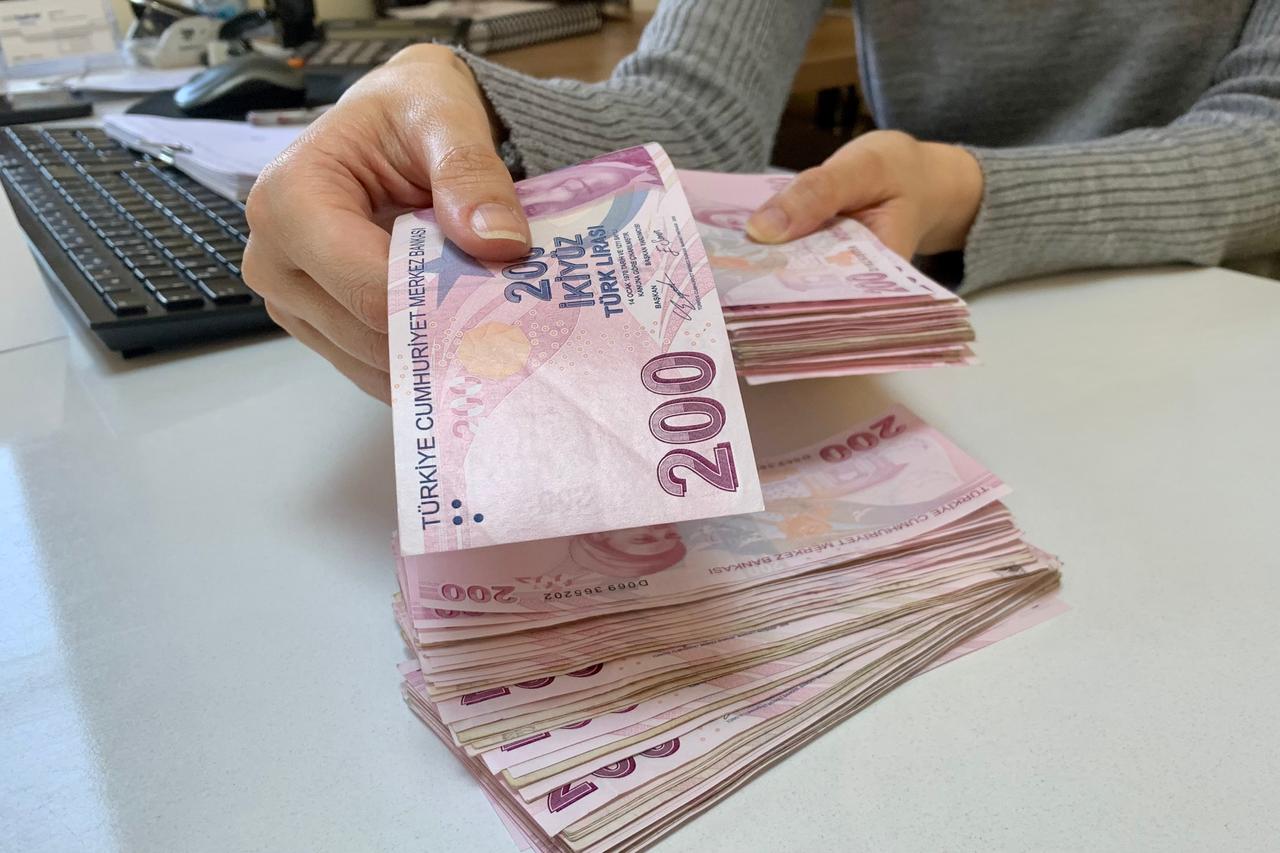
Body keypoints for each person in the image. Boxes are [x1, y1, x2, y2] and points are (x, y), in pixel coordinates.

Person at [242, 1, 1280, 401]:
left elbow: (1265, 135)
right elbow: (691, 112)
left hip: (1222, 353)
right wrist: (464, 97)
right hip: (954, 359)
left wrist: (973, 189)